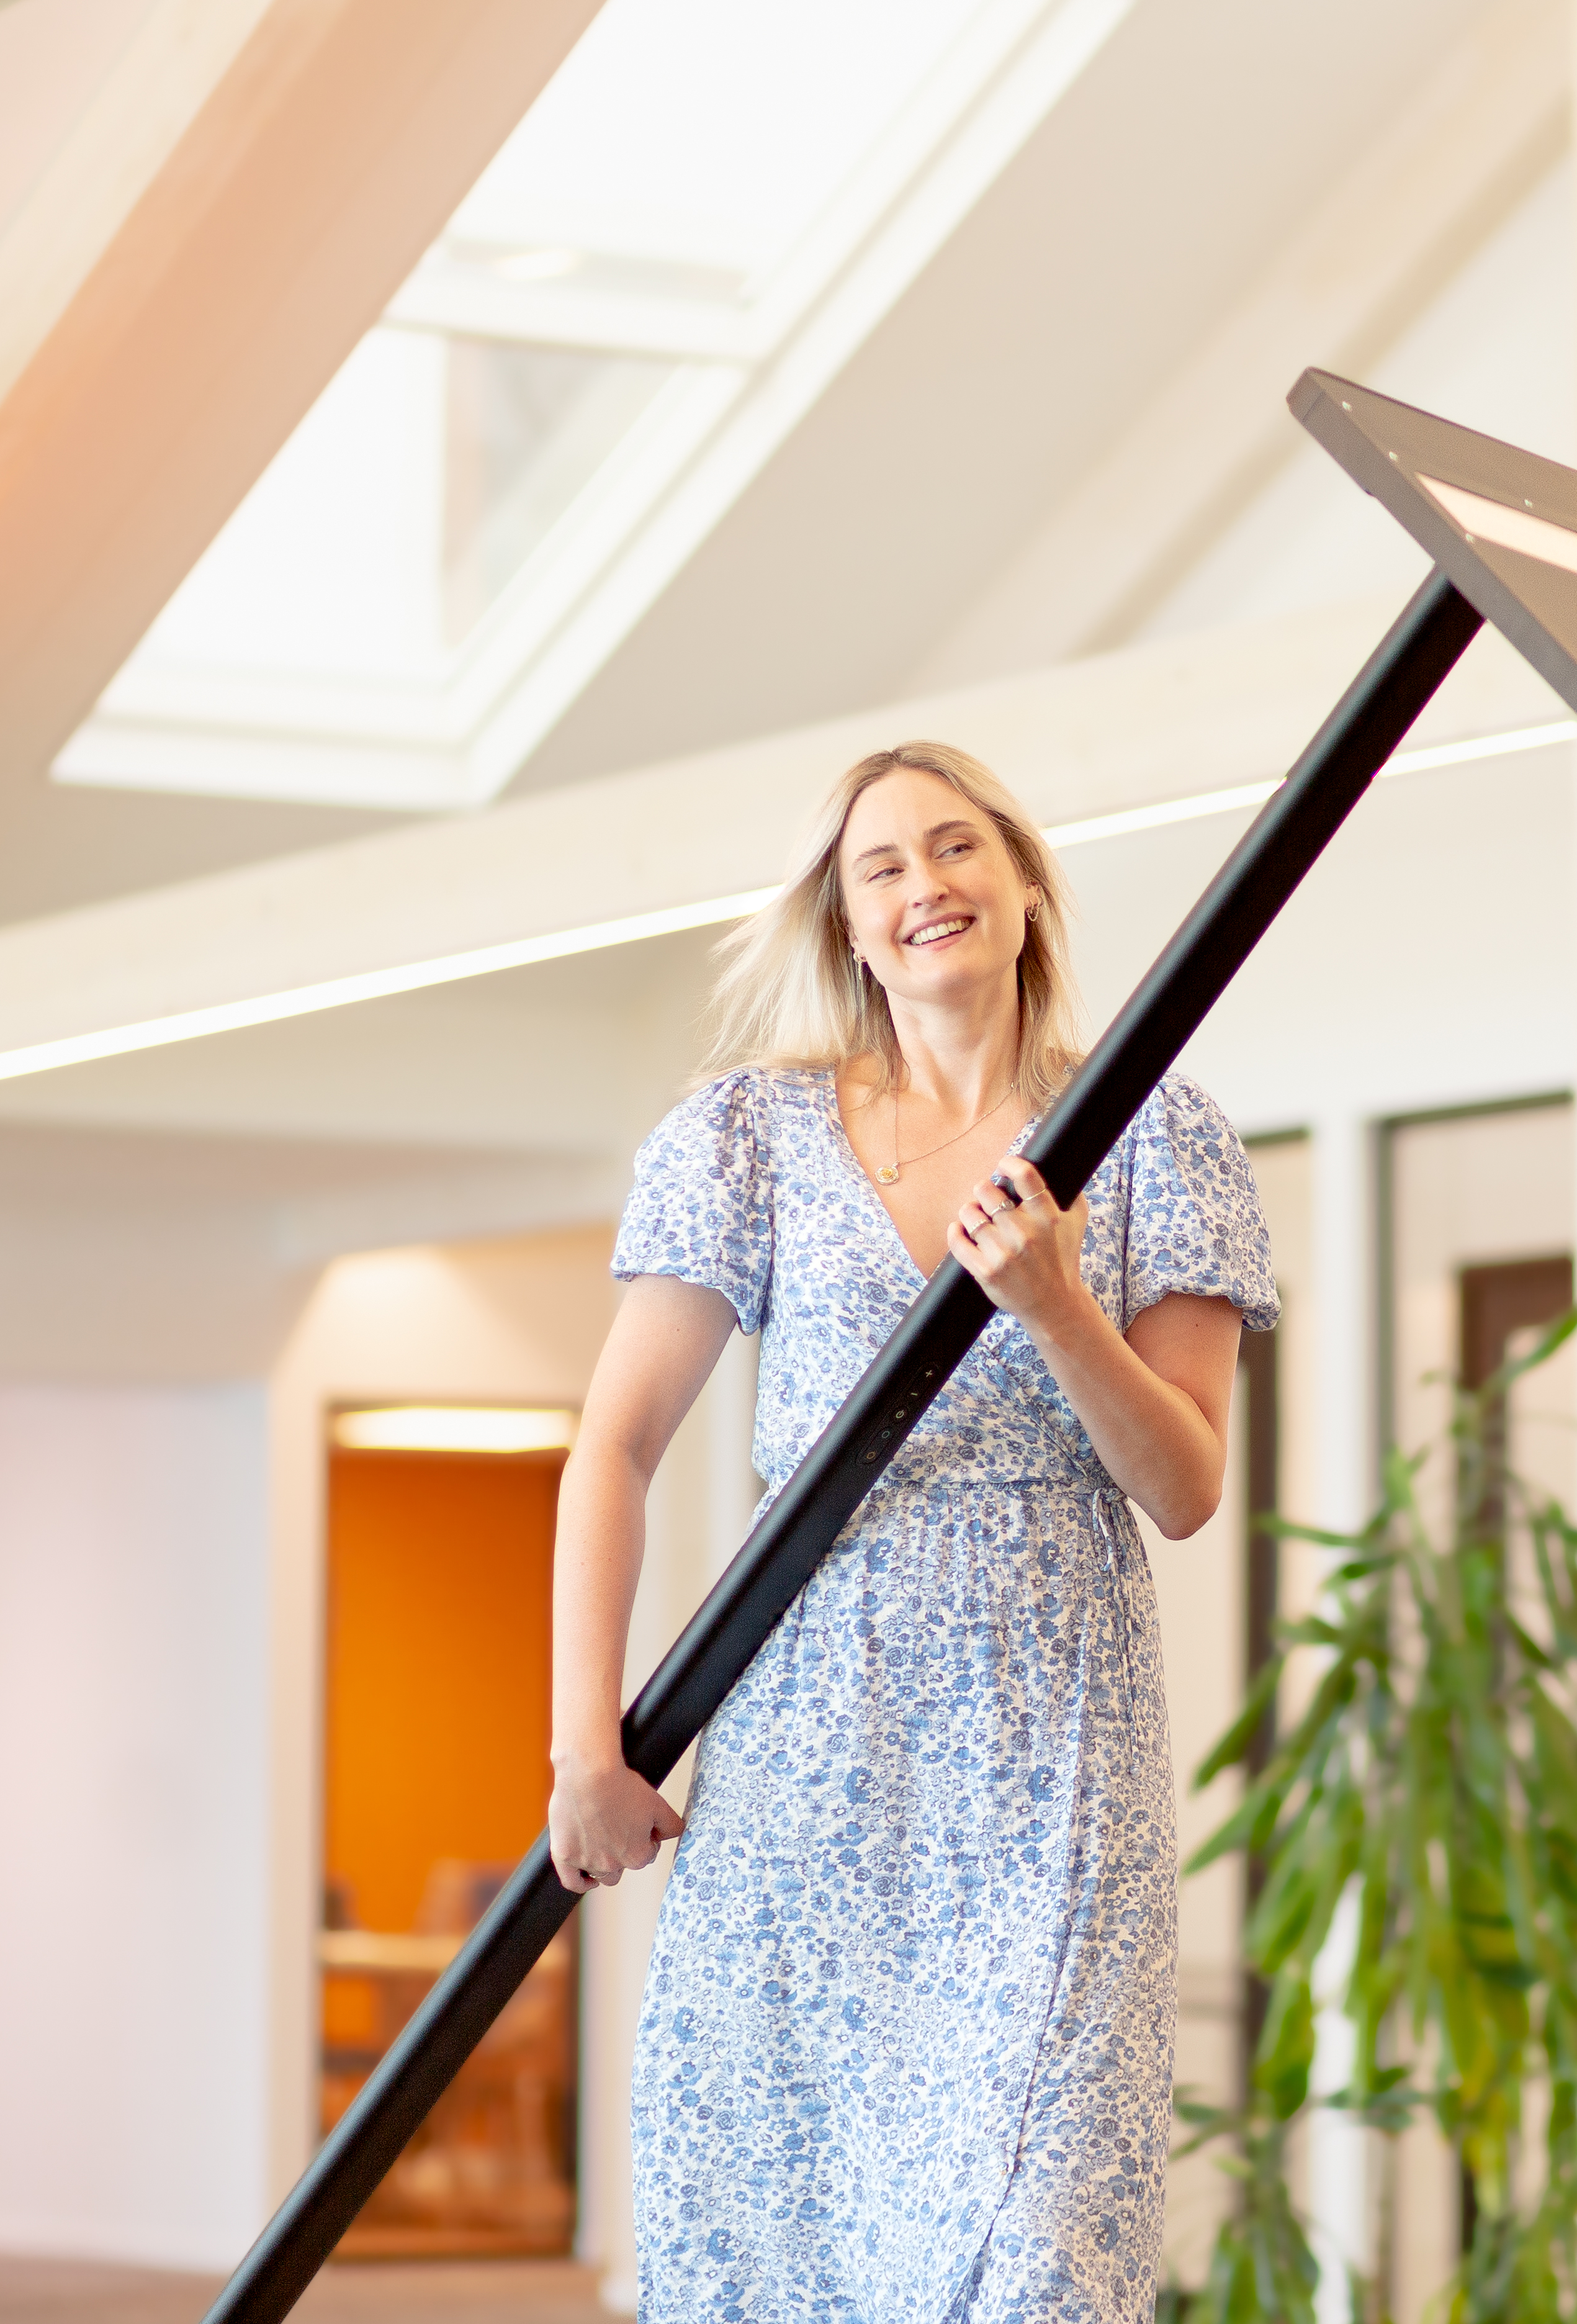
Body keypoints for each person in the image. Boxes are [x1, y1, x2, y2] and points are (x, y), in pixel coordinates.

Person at [546, 740, 1278, 2320]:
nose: (923, 887)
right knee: (778, 2242)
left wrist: (1055, 1304)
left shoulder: (1158, 1133)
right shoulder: (743, 1136)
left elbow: (1185, 1486)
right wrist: (585, 1753)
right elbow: (613, 1445)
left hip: (1047, 1761)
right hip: (809, 1746)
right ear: (847, 924)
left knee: (1025, 2263)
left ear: (1022, 887)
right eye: (879, 868)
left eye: (954, 850)